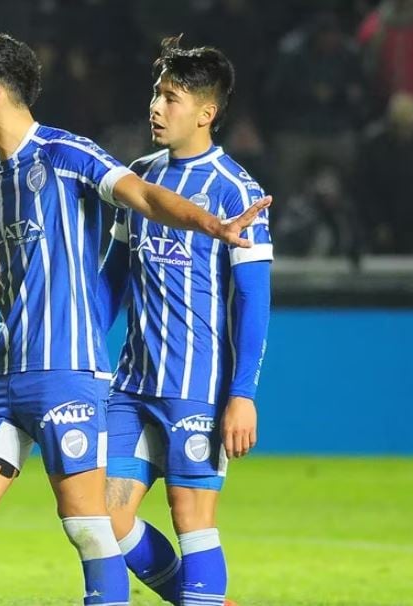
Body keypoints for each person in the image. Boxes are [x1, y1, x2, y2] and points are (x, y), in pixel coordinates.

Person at [0, 32, 270, 606]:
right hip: (21, 369)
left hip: (114, 376)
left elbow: (149, 202)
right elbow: (51, 274)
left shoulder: (73, 155)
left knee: (102, 522)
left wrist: (210, 225)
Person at [97, 36, 270, 606]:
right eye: (155, 92)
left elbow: (253, 301)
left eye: (170, 97)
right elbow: (113, 276)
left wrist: (241, 395)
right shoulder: (139, 177)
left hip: (196, 387)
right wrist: (87, 346)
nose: (155, 106)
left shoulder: (235, 192)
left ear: (206, 112)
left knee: (190, 517)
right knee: (103, 515)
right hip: (131, 384)